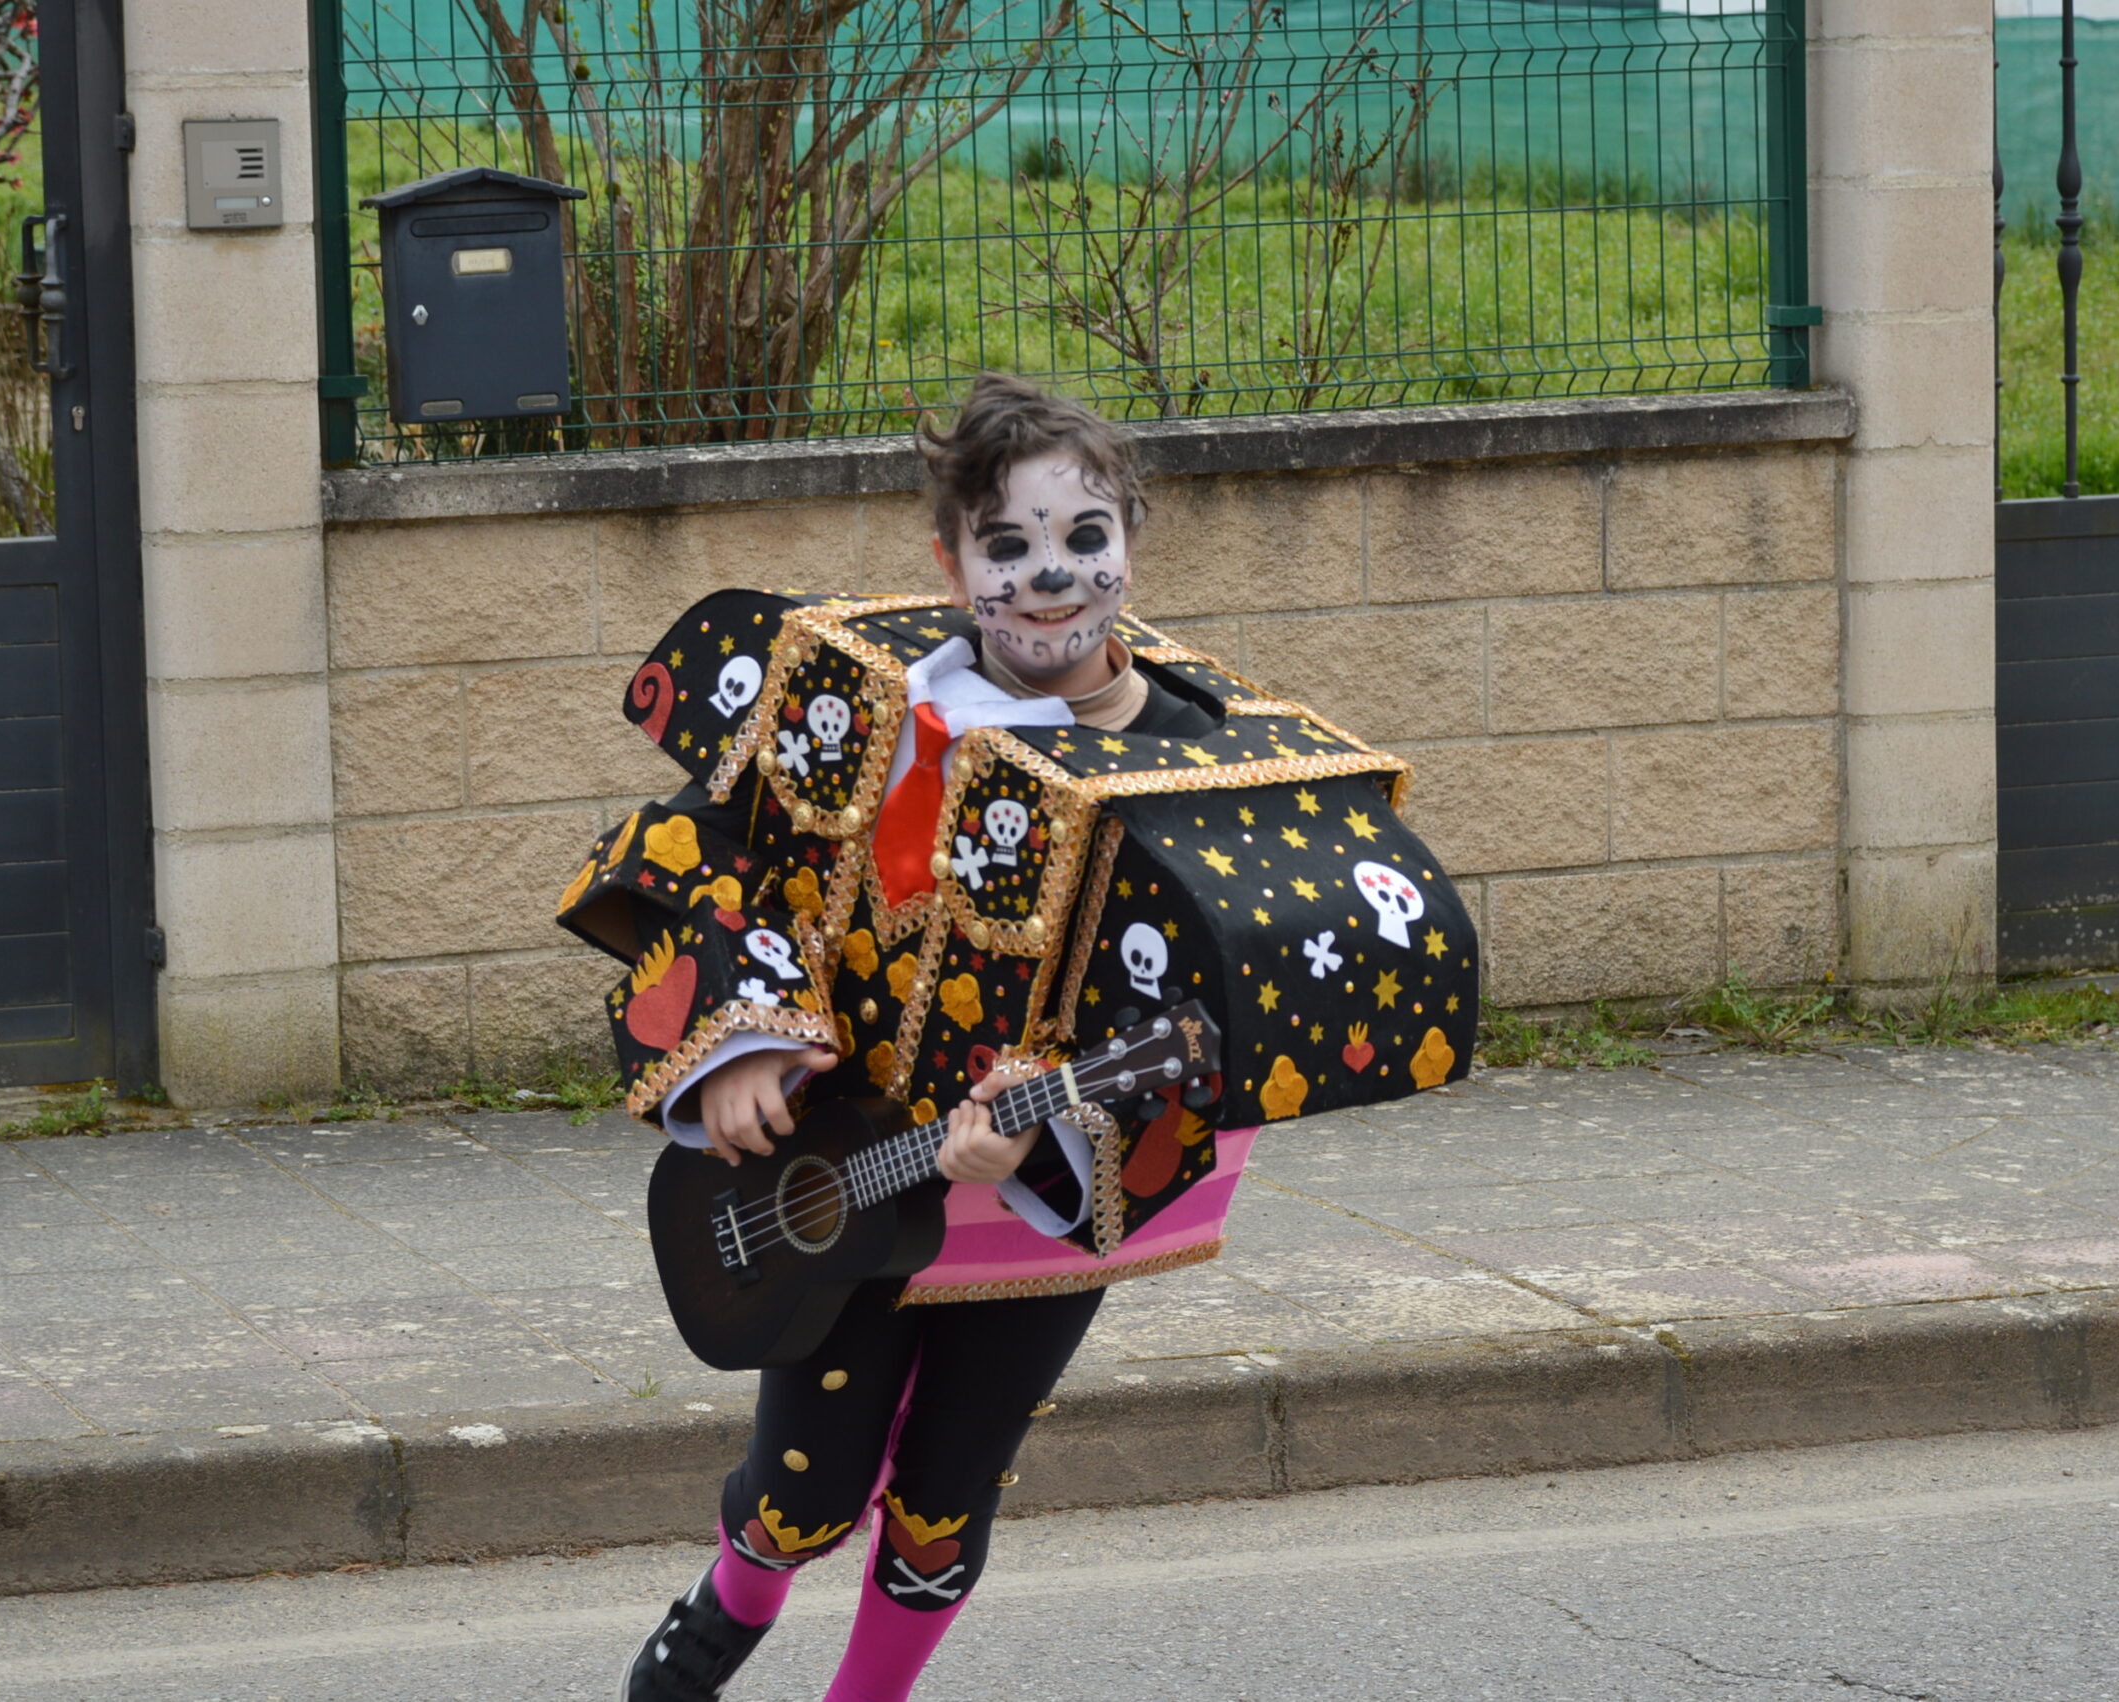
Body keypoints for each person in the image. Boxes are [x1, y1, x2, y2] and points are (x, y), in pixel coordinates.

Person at [558, 373, 1476, 1701]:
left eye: (1084, 539)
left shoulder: (1209, 780)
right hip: (835, 1165)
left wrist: (1057, 1123)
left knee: (945, 1493)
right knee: (806, 1484)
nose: (1052, 577)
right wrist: (746, 1038)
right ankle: (730, 1603)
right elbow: (701, 847)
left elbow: (1237, 1032)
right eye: (1010, 545)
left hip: (1033, 1217)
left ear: (1131, 543)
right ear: (950, 559)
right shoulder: (864, 691)